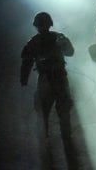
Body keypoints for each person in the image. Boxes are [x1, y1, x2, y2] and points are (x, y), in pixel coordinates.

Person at [20, 12, 77, 170]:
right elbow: (26, 61)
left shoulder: (51, 39)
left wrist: (24, 79)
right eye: (41, 25)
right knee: (49, 111)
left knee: (57, 110)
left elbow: (70, 52)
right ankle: (55, 139)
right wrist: (23, 78)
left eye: (42, 24)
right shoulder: (37, 41)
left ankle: (57, 139)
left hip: (54, 78)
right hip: (49, 79)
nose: (42, 27)